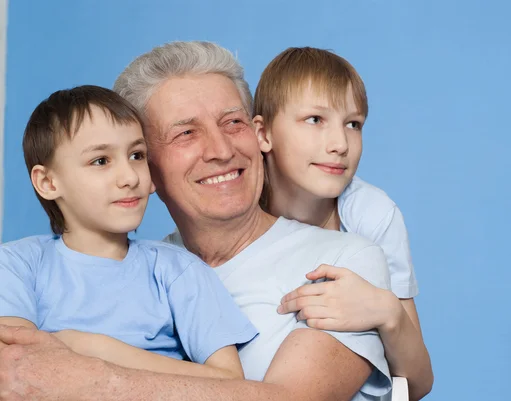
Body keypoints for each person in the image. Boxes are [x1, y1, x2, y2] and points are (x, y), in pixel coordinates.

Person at [0, 41, 425, 401]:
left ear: (260, 135)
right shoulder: (144, 267)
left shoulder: (345, 259)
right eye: (186, 133)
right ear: (148, 165)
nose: (221, 150)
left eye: (233, 122)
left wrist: (83, 374)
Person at [0, 85, 257, 380]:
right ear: (47, 182)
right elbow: (16, 365)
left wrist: (100, 350)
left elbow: (229, 381)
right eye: (101, 161)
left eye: (136, 155)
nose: (129, 177)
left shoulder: (179, 270)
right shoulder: (16, 265)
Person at [252, 47, 433, 398]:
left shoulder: (372, 214)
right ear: (263, 134)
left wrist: (387, 312)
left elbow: (416, 385)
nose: (339, 144)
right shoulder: (238, 211)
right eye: (315, 120)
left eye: (353, 124)